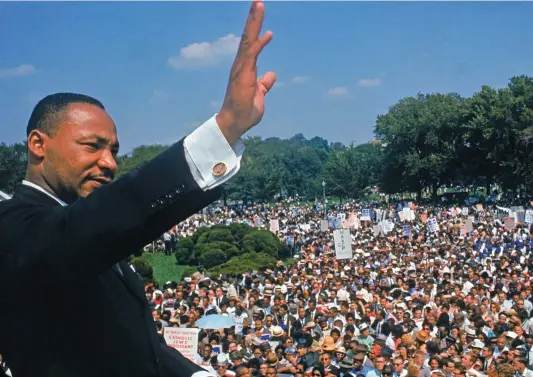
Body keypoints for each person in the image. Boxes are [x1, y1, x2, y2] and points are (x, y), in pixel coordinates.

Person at [0, 1, 276, 376]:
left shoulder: (91, 241)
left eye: (113, 150)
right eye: (92, 146)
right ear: (37, 144)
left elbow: (139, 346)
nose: (110, 163)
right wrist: (225, 128)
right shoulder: (15, 229)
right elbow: (99, 220)